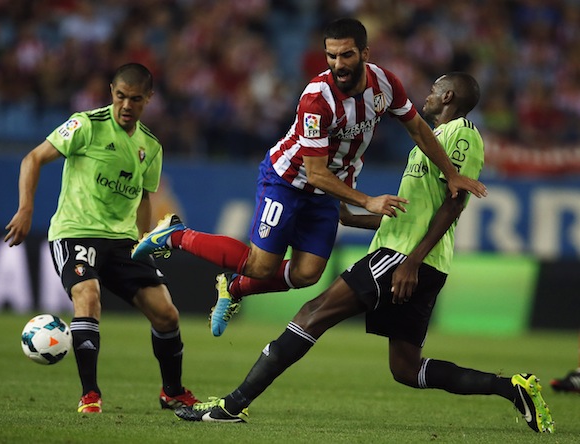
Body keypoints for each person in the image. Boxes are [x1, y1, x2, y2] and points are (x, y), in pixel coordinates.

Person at [173, 72, 555, 434]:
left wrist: (411, 261)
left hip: (403, 259)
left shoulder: (463, 134)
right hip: (410, 257)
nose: (428, 93)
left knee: (311, 314)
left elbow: (454, 204)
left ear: (449, 96)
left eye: (436, 87)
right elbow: (411, 216)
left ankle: (231, 406)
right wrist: (351, 218)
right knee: (406, 369)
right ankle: (512, 388)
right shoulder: (434, 138)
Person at [131, 18, 487, 338]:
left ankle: (234, 289)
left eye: (346, 55)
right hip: (288, 179)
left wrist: (451, 174)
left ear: (364, 53)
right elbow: (315, 172)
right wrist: (364, 201)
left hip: (327, 190)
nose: (338, 64)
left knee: (307, 274)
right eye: (331, 56)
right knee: (260, 264)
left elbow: (420, 132)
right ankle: (175, 235)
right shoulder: (317, 100)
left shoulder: (385, 84)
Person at [4, 63, 199, 413]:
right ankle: (90, 394)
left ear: (148, 99)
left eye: (135, 99)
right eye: (120, 96)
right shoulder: (85, 125)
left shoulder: (150, 147)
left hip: (123, 242)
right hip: (76, 232)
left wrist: (143, 238)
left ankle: (172, 391)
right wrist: (26, 210)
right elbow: (33, 159)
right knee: (88, 295)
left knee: (167, 315)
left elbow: (143, 196)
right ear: (112, 91)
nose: (126, 105)